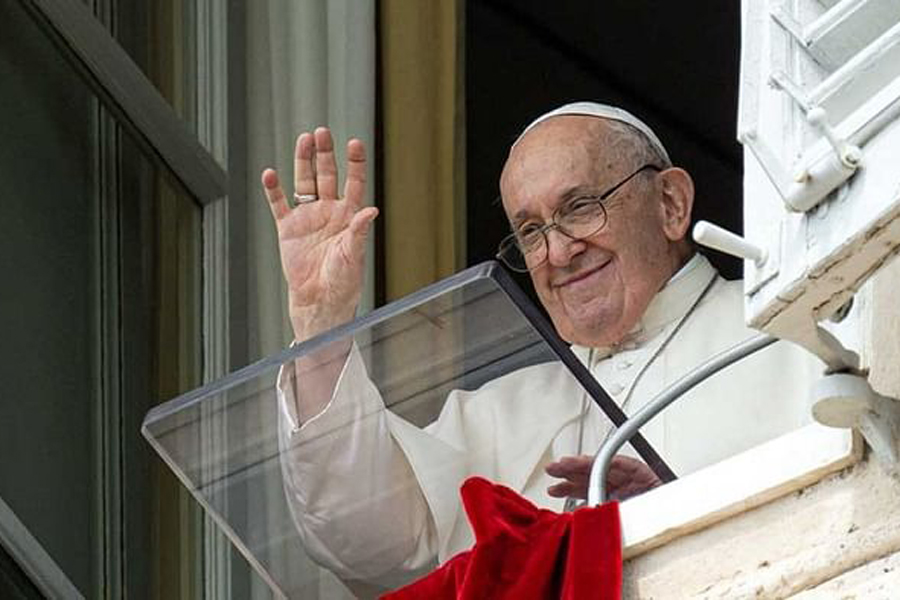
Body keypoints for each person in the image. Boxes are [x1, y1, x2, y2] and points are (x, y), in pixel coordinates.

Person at [261, 102, 821, 585]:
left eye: (579, 208)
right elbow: (363, 539)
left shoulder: (797, 329)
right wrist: (321, 324)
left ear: (670, 204)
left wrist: (683, 509)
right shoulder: (502, 412)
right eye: (530, 231)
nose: (557, 253)